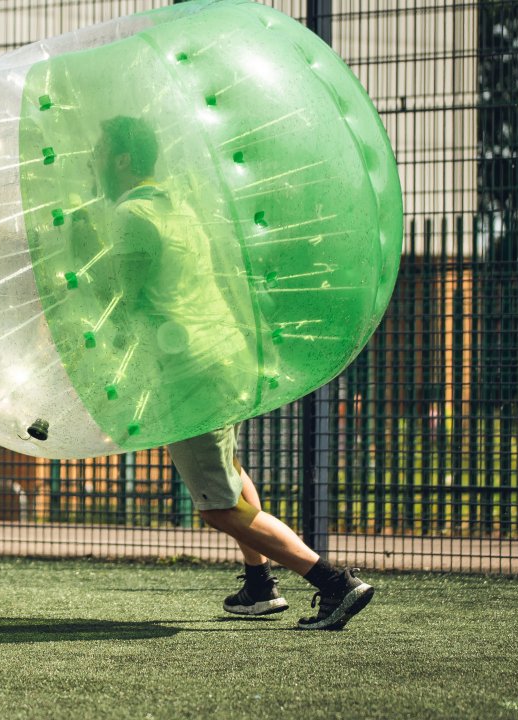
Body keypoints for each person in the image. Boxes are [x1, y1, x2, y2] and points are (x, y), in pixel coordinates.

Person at [90, 115, 374, 630]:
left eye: (100, 148)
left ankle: (333, 582)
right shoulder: (178, 209)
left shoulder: (131, 215)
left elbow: (120, 301)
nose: (92, 158)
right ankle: (259, 586)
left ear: (122, 159)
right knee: (235, 474)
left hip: (187, 370)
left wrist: (84, 267)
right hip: (221, 354)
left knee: (219, 508)